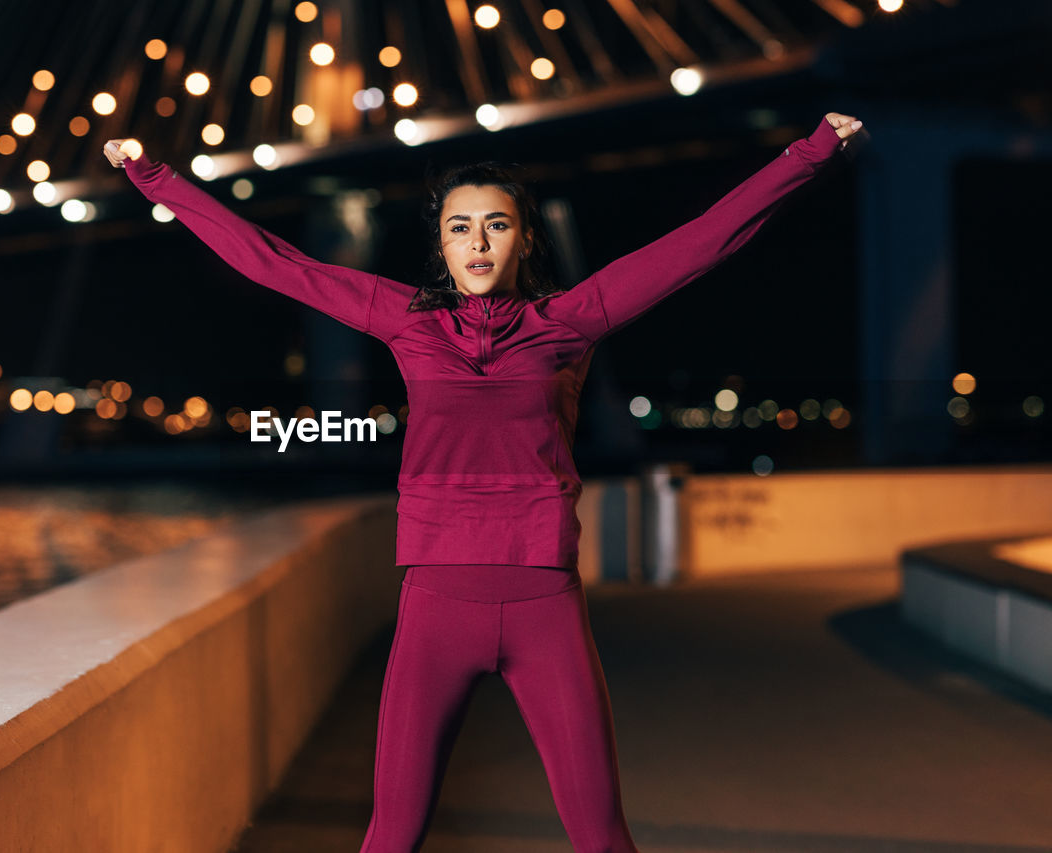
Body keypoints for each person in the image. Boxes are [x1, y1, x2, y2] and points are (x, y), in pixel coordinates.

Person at [104, 111, 863, 852]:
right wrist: (155, 177)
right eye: (460, 225)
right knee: (391, 833)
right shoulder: (406, 321)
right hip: (435, 602)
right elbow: (275, 260)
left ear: (524, 237)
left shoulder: (571, 321)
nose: (478, 241)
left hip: (544, 603)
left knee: (601, 835)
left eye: (496, 224)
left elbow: (697, 245)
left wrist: (811, 153)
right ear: (440, 242)